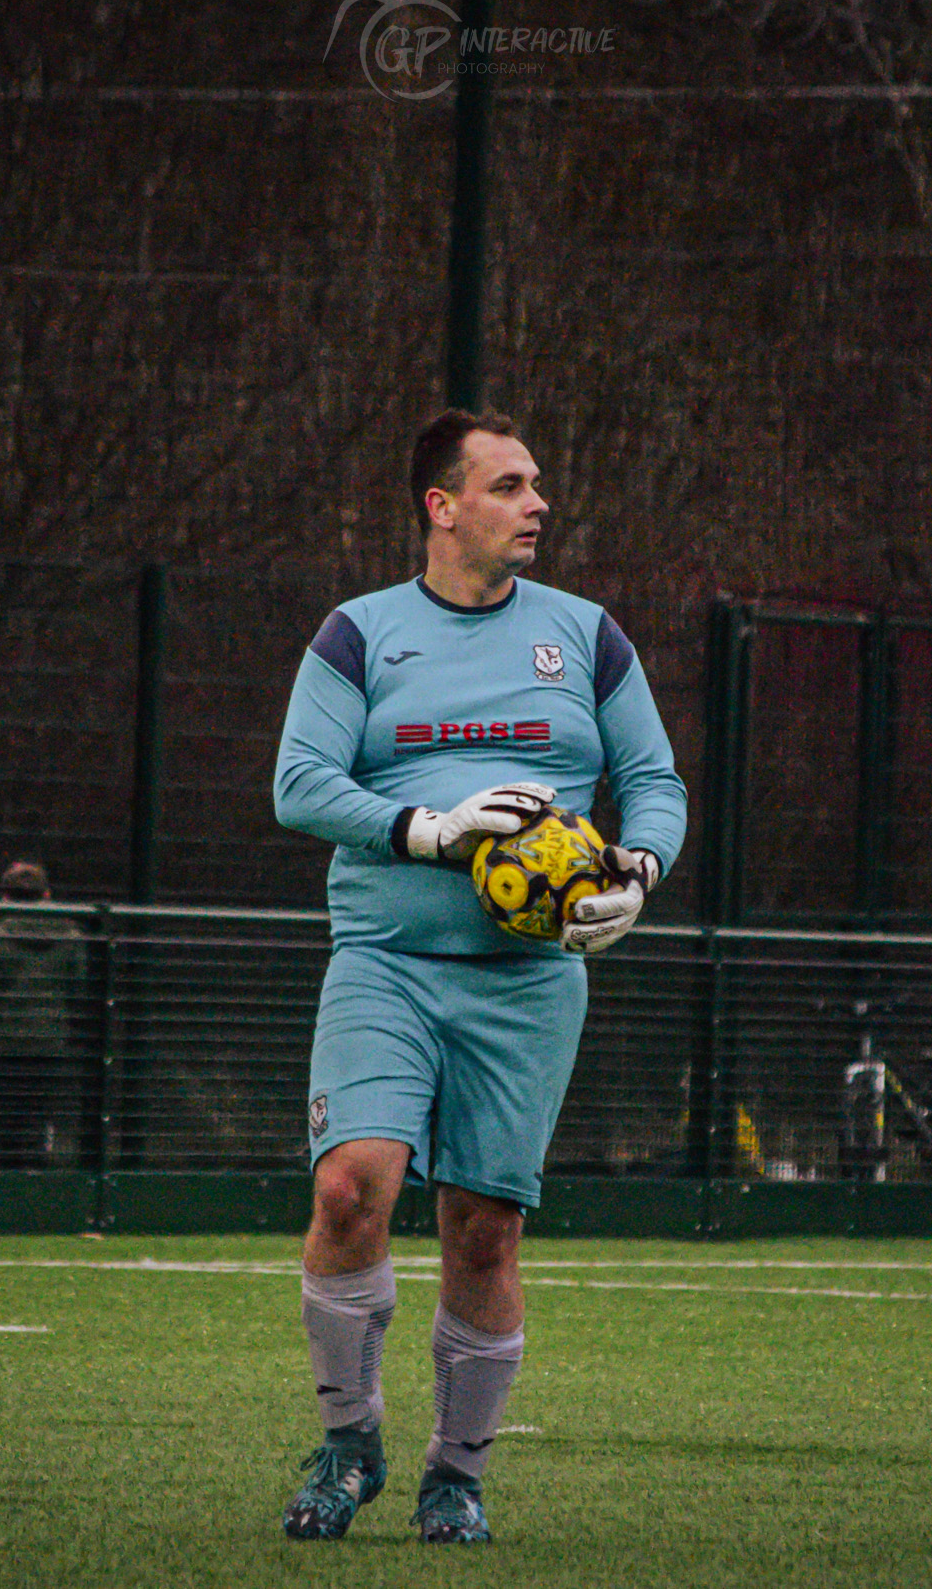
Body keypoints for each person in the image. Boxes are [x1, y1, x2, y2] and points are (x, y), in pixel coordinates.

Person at [269, 408, 687, 1544]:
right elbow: (299, 784)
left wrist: (637, 866)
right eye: (508, 485)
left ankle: (455, 1473)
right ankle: (349, 1442)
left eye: (537, 485)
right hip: (387, 961)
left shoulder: (586, 634)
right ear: (440, 506)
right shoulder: (358, 634)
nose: (537, 503)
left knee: (483, 1227)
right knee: (352, 1185)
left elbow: (654, 779)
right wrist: (430, 828)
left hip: (527, 979)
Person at [0, 859, 89, 1168]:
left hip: (7, 1044)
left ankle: (7, 1182)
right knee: (41, 1113)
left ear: (5, 897)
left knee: (7, 1117)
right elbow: (79, 992)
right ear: (46, 895)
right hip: (51, 1042)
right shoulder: (71, 937)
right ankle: (38, 1175)